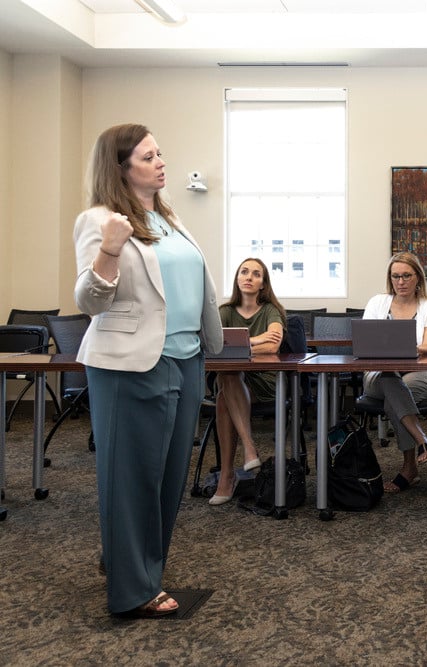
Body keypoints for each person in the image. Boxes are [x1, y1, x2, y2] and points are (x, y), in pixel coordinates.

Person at [73, 124, 223, 617]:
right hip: (131, 364)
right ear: (120, 167)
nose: (161, 163)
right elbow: (90, 301)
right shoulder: (99, 221)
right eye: (147, 156)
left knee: (168, 477)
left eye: (161, 154)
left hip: (185, 359)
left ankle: (127, 560)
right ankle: (133, 589)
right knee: (131, 475)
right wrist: (111, 248)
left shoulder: (169, 218)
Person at [208, 258, 286, 505]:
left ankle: (227, 477)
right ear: (237, 279)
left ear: (263, 283)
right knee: (230, 375)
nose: (249, 277)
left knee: (225, 391)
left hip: (263, 380)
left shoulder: (271, 310)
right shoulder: (224, 312)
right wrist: (255, 340)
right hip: (232, 379)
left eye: (256, 274)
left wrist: (240, 344)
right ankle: (249, 447)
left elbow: (273, 345)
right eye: (244, 272)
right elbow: (214, 347)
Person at [361, 252, 427, 493]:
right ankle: (421, 440)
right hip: (379, 375)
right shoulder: (377, 303)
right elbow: (365, 343)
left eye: (406, 275)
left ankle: (409, 468)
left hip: (420, 373)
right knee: (389, 379)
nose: (401, 281)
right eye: (395, 276)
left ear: (418, 277)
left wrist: (405, 351)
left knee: (394, 397)